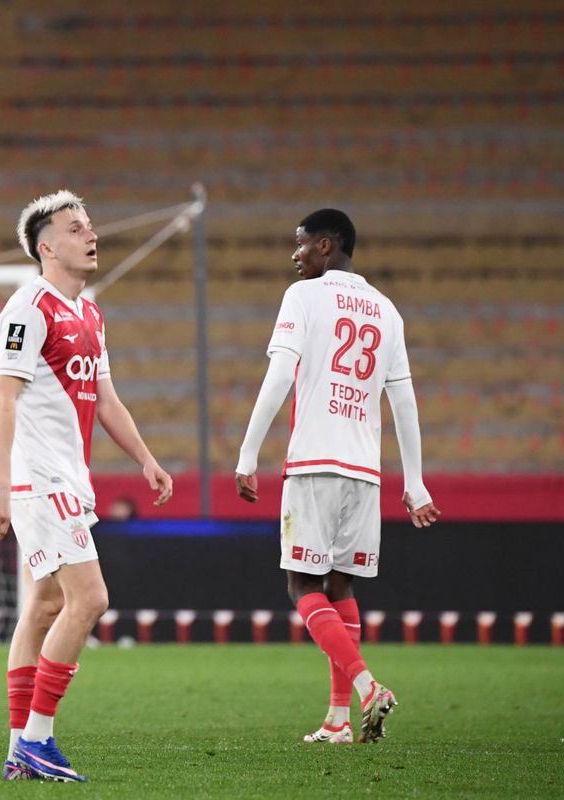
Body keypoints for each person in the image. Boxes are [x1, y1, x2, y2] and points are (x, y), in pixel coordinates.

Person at [0, 190, 173, 782]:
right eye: (76, 228)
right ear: (47, 246)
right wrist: (1, 483)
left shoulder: (89, 314)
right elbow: (1, 397)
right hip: (42, 478)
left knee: (41, 607)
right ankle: (38, 739)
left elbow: (106, 399)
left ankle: (19, 750)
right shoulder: (27, 308)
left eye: (90, 226)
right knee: (89, 599)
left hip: (69, 477)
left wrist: (145, 458)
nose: (91, 235)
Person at [234, 209, 441, 744]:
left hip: (314, 463)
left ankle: (369, 687)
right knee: (341, 585)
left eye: (300, 245)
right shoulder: (387, 311)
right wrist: (414, 483)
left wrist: (248, 453)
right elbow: (406, 403)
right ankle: (338, 719)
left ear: (326, 245)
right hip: (364, 472)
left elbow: (280, 373)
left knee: (301, 584)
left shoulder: (303, 297)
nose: (294, 255)